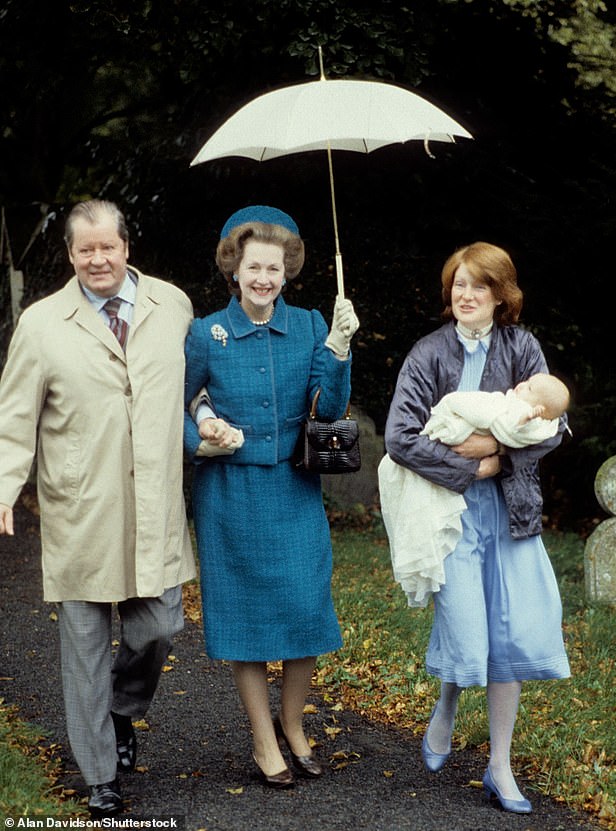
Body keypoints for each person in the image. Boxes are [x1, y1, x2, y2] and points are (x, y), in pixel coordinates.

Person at [0, 200, 196, 817]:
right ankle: (99, 774)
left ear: (126, 246)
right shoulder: (41, 324)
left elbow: (195, 386)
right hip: (81, 506)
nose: (98, 260)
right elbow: (14, 420)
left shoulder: (174, 306)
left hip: (153, 503)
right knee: (84, 643)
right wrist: (3, 488)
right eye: (85, 250)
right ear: (70, 255)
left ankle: (120, 710)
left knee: (161, 625)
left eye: (107, 247)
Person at [383, 241, 571, 815]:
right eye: (458, 285)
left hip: (512, 512)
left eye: (478, 286)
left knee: (509, 636)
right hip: (451, 514)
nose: (466, 295)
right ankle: (447, 702)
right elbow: (398, 437)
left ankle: (500, 765)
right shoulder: (427, 353)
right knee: (468, 627)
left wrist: (496, 451)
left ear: (500, 295)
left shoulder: (523, 347)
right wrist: (472, 467)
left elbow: (554, 427)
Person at [183, 205, 359, 789]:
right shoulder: (206, 332)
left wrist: (337, 348)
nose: (263, 279)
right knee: (246, 616)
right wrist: (202, 440)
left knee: (305, 608)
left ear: (288, 271)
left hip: (293, 485)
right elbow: (172, 409)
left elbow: (328, 409)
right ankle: (263, 737)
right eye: (253, 267)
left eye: (274, 269)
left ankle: (294, 723)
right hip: (229, 492)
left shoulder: (310, 324)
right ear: (234, 269)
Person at [379, 373, 570, 607]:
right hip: (458, 445)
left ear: (539, 408)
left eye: (529, 387)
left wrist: (502, 443)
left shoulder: (531, 416)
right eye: (527, 382)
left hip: (495, 494)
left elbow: (515, 426)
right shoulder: (510, 401)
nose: (521, 385)